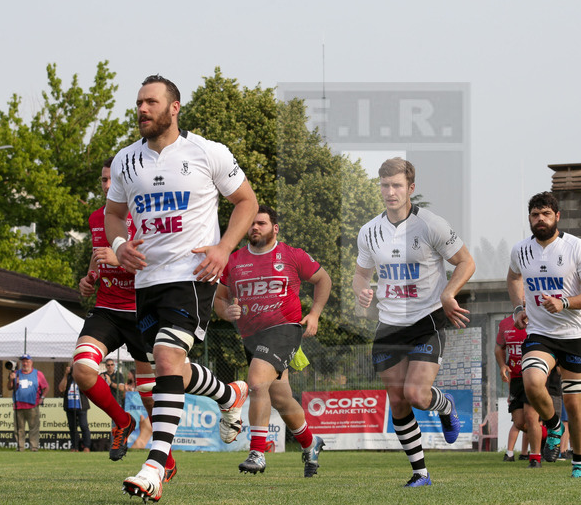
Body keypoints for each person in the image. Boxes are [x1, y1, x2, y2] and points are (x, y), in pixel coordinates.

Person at [107, 75, 258, 502]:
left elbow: (247, 201)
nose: (142, 109)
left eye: (151, 102)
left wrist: (225, 249)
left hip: (193, 276)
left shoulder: (208, 152)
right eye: (138, 102)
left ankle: (155, 466)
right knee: (170, 366)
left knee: (167, 357)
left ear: (174, 108)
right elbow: (113, 214)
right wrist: (119, 246)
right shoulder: (125, 161)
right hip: (146, 280)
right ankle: (230, 393)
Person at [353, 157, 475, 487]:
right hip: (389, 325)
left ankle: (446, 407)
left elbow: (466, 262)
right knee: (398, 399)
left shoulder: (431, 224)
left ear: (410, 188)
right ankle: (420, 473)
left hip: (427, 319)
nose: (390, 191)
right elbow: (360, 274)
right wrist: (362, 290)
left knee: (417, 395)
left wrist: (450, 293)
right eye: (384, 185)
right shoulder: (369, 232)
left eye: (396, 185)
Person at [74, 156, 177, 476]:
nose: (107, 185)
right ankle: (123, 421)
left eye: (111, 180)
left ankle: (165, 462)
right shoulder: (96, 218)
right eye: (103, 180)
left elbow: (157, 264)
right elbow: (96, 264)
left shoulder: (146, 215)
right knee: (82, 369)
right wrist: (87, 281)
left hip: (141, 312)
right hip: (106, 309)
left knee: (150, 396)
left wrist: (119, 259)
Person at [215, 205, 331, 477]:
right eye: (251, 224)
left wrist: (314, 314)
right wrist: (226, 310)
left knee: (256, 382)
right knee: (281, 398)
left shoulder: (292, 255)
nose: (254, 228)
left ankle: (257, 451)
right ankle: (311, 443)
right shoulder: (234, 260)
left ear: (274, 228)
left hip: (284, 328)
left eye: (262, 223)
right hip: (251, 337)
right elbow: (219, 299)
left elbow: (323, 279)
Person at [507, 191, 581, 478]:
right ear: (529, 218)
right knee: (532, 382)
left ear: (557, 216)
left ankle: (579, 463)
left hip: (572, 334)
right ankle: (554, 425)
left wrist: (565, 303)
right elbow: (513, 277)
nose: (540, 219)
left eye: (546, 214)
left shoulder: (576, 247)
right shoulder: (520, 249)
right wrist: (517, 308)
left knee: (574, 404)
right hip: (539, 333)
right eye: (535, 214)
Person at [495, 314, 529, 462]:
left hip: (534, 376)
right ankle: (511, 453)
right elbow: (499, 348)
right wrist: (503, 365)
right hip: (515, 379)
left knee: (533, 419)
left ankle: (533, 455)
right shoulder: (505, 324)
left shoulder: (538, 319)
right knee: (519, 422)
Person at [7, 354, 48, 452]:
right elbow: (9, 387)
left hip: (32, 405)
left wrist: (42, 397)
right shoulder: (16, 373)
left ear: (31, 362)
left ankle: (33, 447)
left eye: (27, 361)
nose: (25, 363)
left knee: (33, 428)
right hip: (18, 405)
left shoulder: (38, 374)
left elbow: (46, 387)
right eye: (23, 362)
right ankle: (20, 447)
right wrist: (11, 379)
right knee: (19, 428)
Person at [58, 364, 91, 452]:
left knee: (84, 426)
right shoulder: (68, 378)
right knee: (72, 427)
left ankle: (86, 446)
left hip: (81, 405)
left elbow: (87, 388)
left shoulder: (82, 376)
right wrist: (66, 375)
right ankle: (74, 446)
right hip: (70, 406)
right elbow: (61, 389)